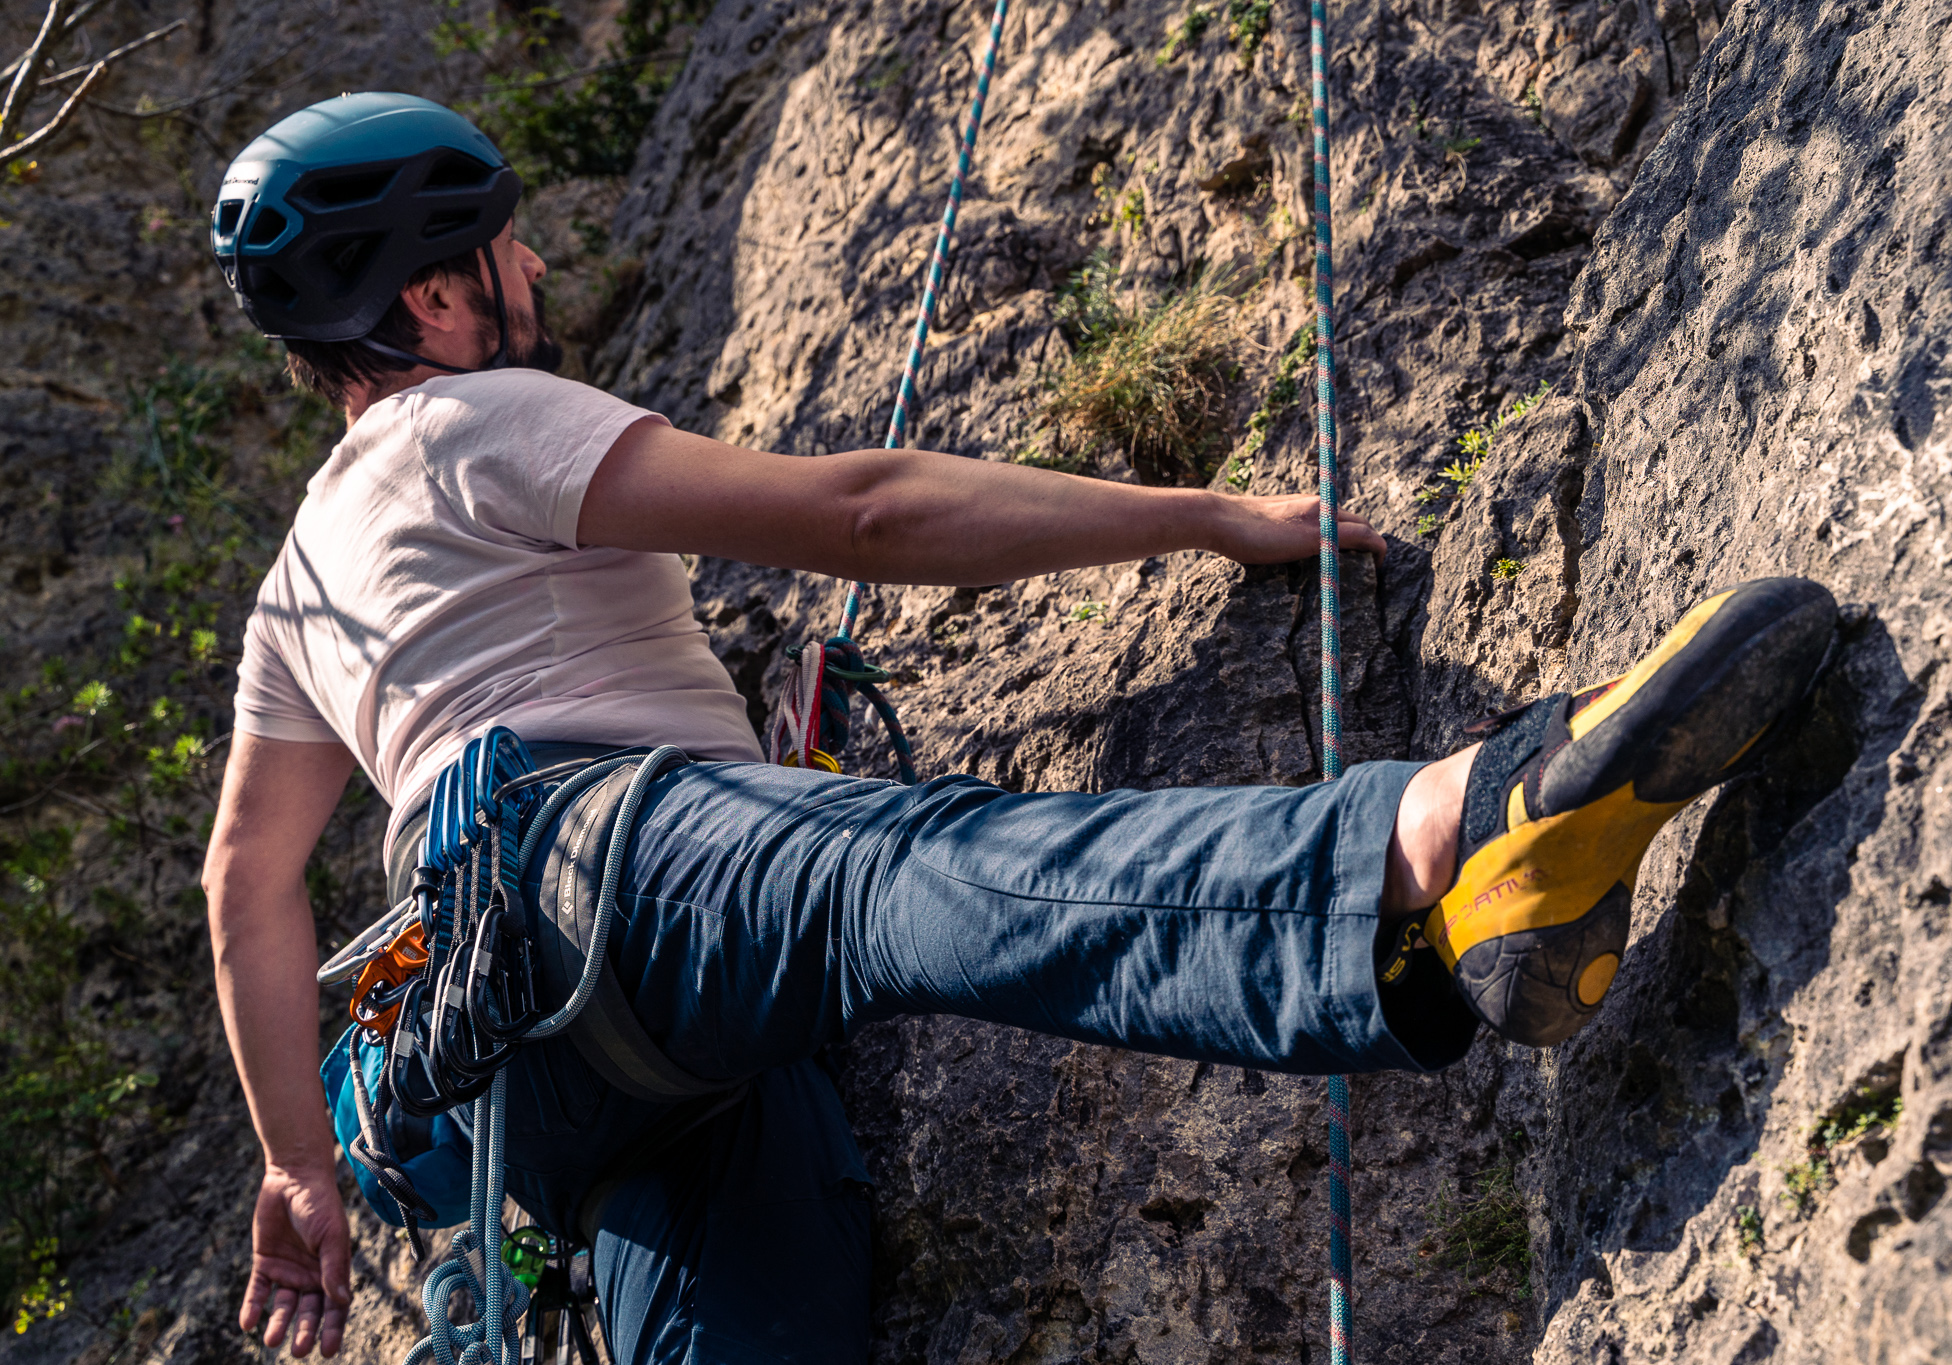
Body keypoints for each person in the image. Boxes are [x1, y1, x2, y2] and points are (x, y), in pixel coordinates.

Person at [201, 93, 1838, 1362]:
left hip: (496, 1093)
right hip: (592, 871)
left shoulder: (296, 588)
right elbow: (872, 511)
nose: (536, 266)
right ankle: (1458, 838)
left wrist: (298, 1174)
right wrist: (1205, 516)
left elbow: (245, 890)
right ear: (432, 295)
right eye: (504, 245)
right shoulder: (473, 421)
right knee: (893, 874)